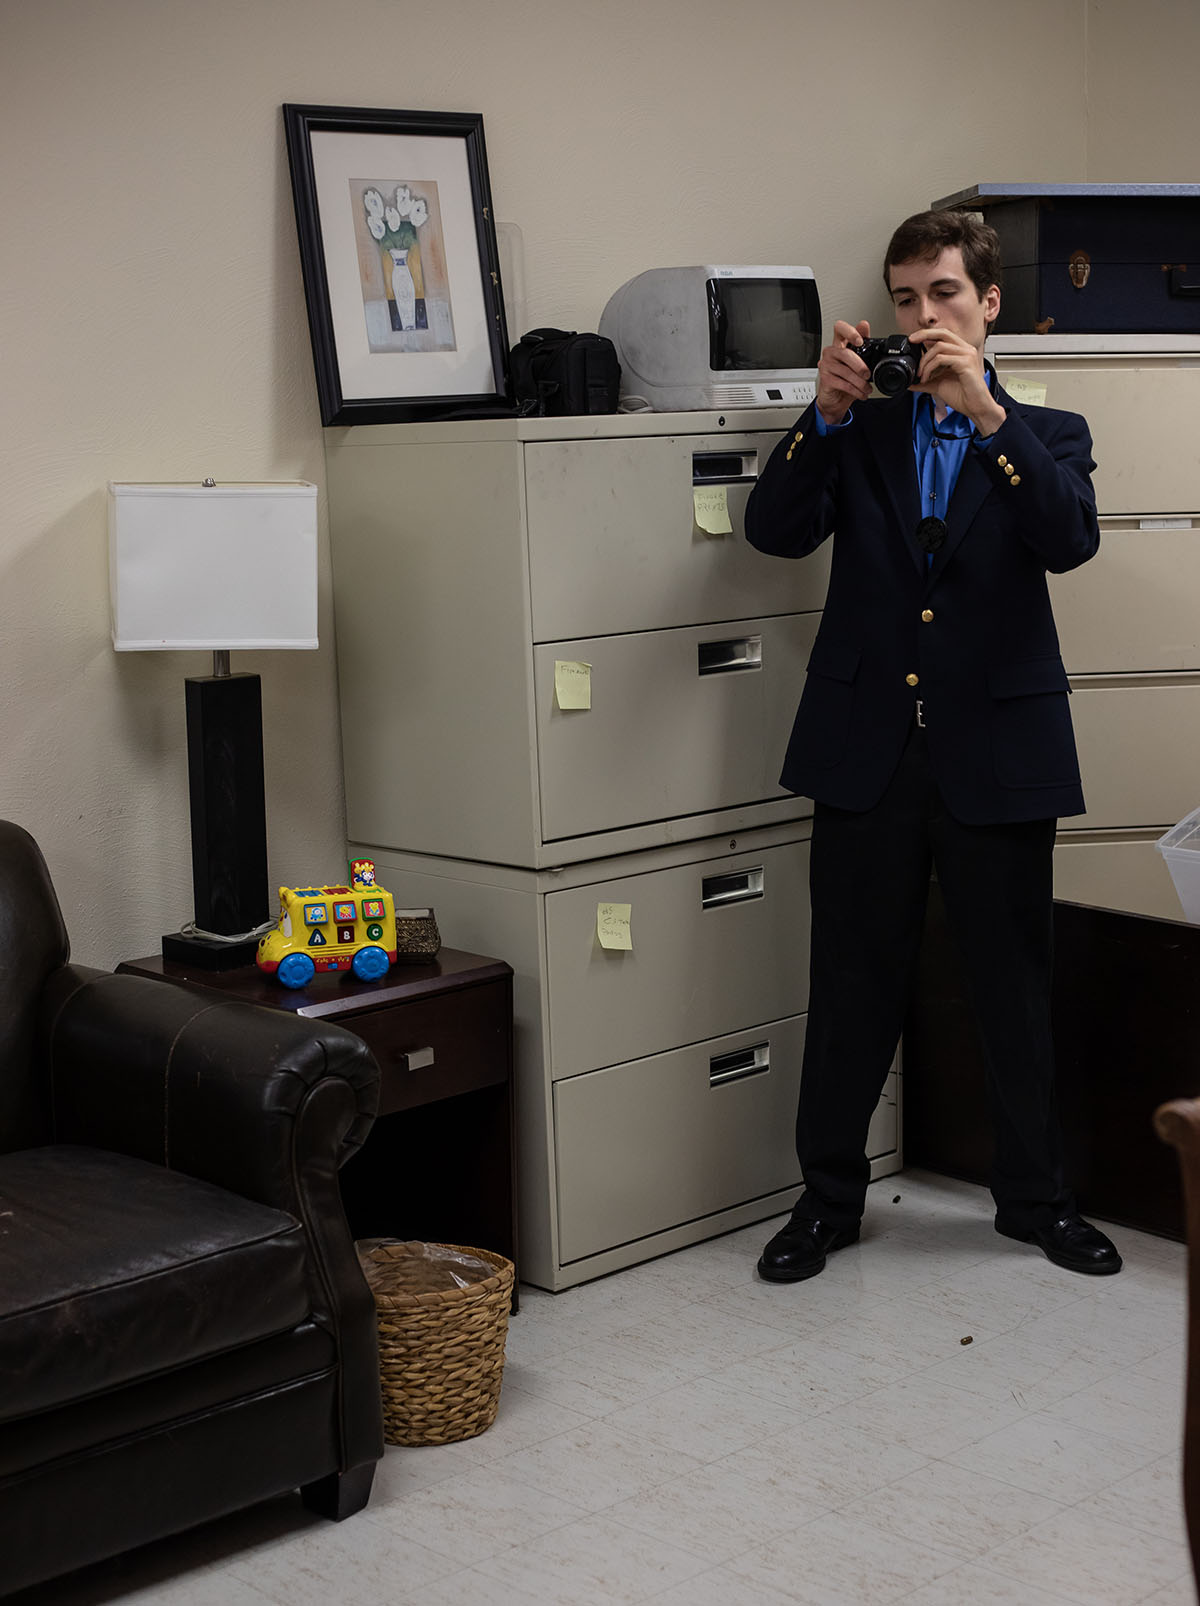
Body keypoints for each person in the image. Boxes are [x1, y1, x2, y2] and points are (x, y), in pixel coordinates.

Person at [745, 209, 1121, 1282]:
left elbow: (1070, 539)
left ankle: (1037, 1201)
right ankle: (825, 1201)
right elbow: (774, 531)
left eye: (944, 294)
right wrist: (820, 415)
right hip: (867, 751)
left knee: (1012, 982)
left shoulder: (1049, 435)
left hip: (997, 750)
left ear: (989, 301)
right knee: (852, 981)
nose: (924, 317)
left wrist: (990, 418)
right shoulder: (858, 430)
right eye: (906, 300)